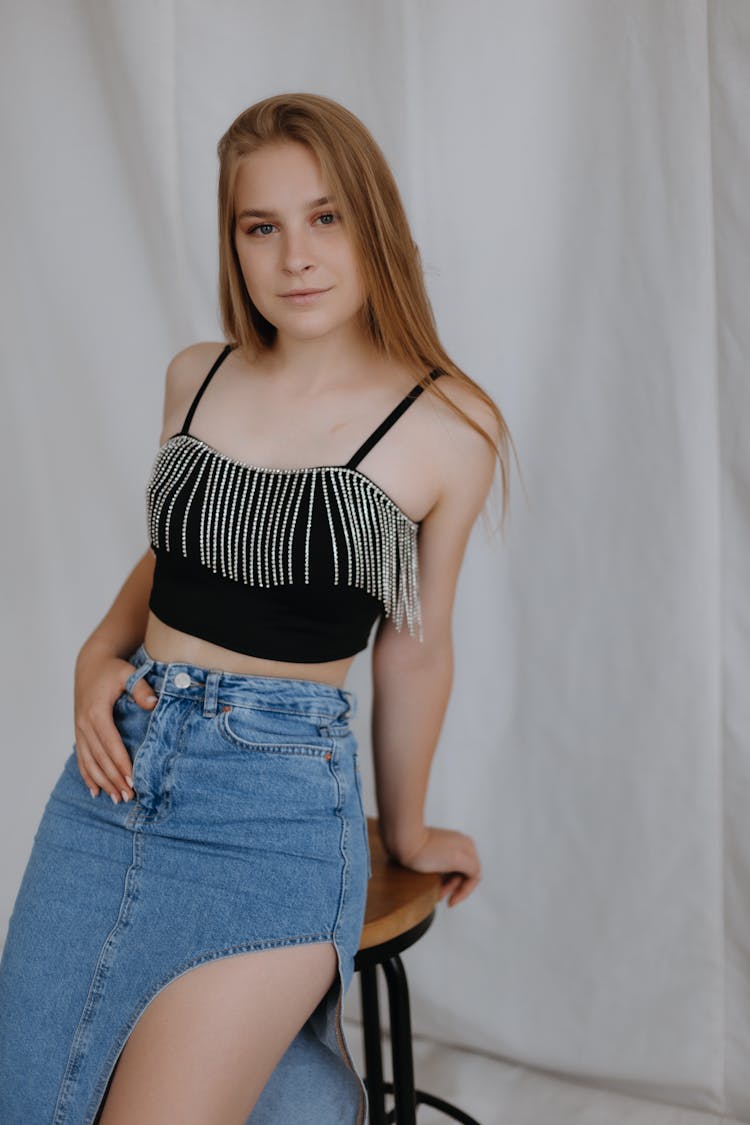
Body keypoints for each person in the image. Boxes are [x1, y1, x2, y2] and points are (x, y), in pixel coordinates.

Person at [0, 92, 513, 1124]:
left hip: (274, 805)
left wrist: (406, 833)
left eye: (326, 217)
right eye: (261, 226)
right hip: (112, 777)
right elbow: (173, 562)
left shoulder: (448, 425)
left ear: (374, 222)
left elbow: (416, 651)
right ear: (234, 242)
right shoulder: (198, 376)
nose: (296, 257)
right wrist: (93, 659)